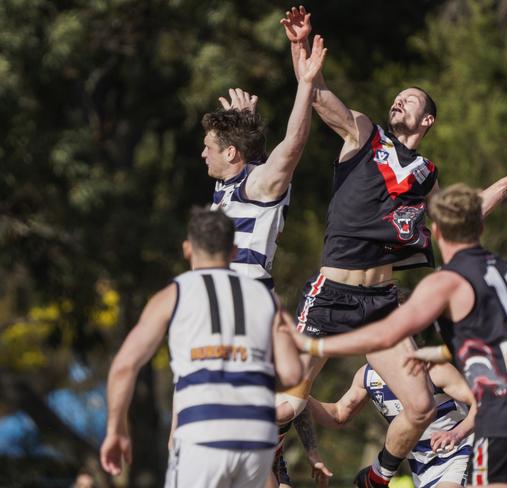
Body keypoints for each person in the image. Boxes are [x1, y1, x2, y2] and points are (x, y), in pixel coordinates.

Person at [279, 6, 507, 487]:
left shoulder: (426, 174)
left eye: (410, 100)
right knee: (290, 403)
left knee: (420, 405)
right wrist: (300, 50)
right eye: (397, 98)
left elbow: (459, 218)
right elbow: (318, 98)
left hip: (380, 303)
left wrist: (505, 185)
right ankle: (259, 460)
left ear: (429, 120)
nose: (398, 102)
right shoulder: (364, 134)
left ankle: (374, 480)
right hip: (331, 294)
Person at [288, 184, 507, 488]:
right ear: (480, 225)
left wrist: (314, 343)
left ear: (435, 231)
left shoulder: (447, 281)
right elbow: (496, 342)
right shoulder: (505, 269)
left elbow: (385, 333)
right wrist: (435, 353)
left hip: (504, 411)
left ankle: (380, 474)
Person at [201, 38, 333, 486]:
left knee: (256, 424)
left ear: (231, 154)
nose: (203, 153)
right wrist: (244, 119)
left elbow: (292, 145)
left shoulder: (260, 186)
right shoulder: (232, 184)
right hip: (225, 310)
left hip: (247, 307)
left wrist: (306, 85)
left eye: (209, 147)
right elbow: (254, 151)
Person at [100, 207, 303, 487]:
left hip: (203, 431)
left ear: (187, 248)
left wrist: (116, 430)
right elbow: (292, 374)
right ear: (233, 251)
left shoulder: (173, 294)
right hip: (256, 434)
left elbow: (124, 366)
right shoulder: (267, 299)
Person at [308, 361, 476, 488]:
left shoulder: (433, 368)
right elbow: (338, 415)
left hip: (459, 453)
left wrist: (457, 433)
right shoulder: (367, 375)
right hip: (420, 468)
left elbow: (483, 405)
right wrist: (297, 397)